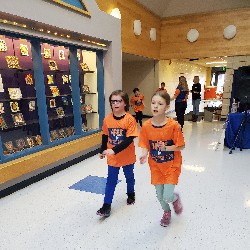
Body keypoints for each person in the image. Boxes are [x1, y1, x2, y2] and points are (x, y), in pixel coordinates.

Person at [138, 91, 185, 227]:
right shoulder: (146, 126)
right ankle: (166, 212)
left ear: (167, 107)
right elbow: (145, 144)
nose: (156, 106)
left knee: (167, 196)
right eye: (153, 103)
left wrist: (166, 148)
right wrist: (144, 154)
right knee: (160, 196)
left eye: (160, 104)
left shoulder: (174, 126)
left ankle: (175, 198)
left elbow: (181, 146)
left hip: (172, 165)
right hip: (156, 166)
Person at [97, 90, 138, 217]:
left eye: (118, 101)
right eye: (113, 101)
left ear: (125, 103)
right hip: (113, 157)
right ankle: (106, 205)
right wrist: (103, 149)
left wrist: (113, 150)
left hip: (127, 156)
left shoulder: (130, 119)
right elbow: (105, 135)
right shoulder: (107, 119)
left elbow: (129, 139)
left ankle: (131, 194)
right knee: (111, 180)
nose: (115, 104)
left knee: (129, 177)